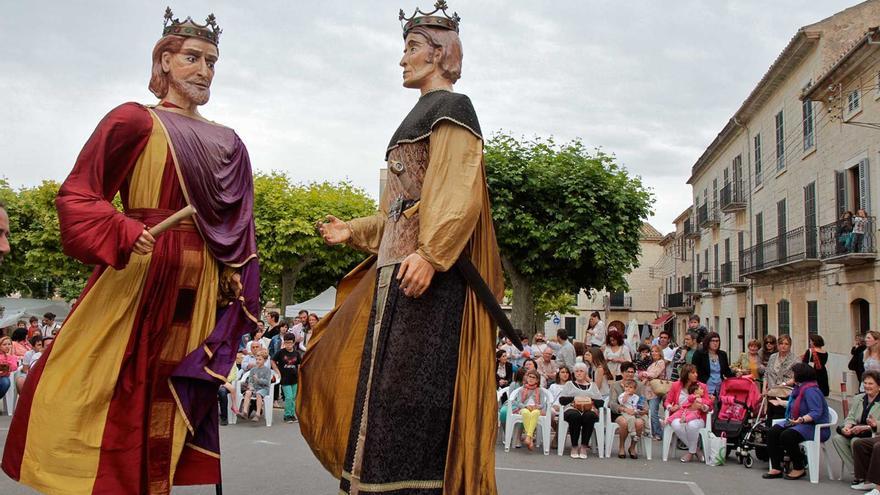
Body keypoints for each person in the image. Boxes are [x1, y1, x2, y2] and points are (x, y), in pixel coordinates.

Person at [2, 10, 261, 491]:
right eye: (191, 57)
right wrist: (121, 229)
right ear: (164, 61)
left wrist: (232, 274)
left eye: (211, 61)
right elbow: (79, 194)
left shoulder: (230, 141)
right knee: (104, 384)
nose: (203, 70)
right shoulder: (134, 119)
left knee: (174, 392)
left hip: (199, 285)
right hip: (138, 274)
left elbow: (238, 225)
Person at [303, 5, 504, 493]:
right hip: (395, 274)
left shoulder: (452, 108)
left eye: (412, 48)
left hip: (427, 281)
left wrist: (433, 255)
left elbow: (456, 192)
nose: (402, 60)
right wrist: (352, 230)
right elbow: (399, 210)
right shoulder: (415, 115)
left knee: (412, 396)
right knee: (380, 394)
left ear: (439, 53)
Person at [762, 363, 830, 481]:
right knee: (773, 431)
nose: (791, 377)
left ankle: (799, 467)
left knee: (787, 435)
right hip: (800, 422)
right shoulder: (799, 388)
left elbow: (816, 412)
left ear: (801, 375)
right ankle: (776, 467)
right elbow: (797, 405)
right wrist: (782, 403)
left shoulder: (811, 390)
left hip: (814, 426)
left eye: (793, 374)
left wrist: (802, 419)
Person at [832, 370, 880, 488]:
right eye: (865, 383)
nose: (867, 386)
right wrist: (847, 427)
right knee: (838, 438)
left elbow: (877, 424)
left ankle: (867, 477)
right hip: (856, 432)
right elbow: (851, 417)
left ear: (879, 386)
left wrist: (869, 426)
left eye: (871, 383)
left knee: (855, 441)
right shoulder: (859, 398)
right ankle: (858, 474)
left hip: (873, 433)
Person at [664, 364, 712, 462]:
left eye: (696, 372)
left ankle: (690, 453)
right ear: (686, 374)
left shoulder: (702, 386)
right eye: (693, 373)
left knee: (692, 425)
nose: (696, 375)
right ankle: (695, 450)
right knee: (677, 425)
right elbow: (667, 402)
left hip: (697, 416)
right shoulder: (676, 385)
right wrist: (671, 407)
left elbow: (709, 404)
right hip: (680, 413)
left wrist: (703, 407)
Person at [558, 362, 604, 459]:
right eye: (576, 371)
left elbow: (601, 402)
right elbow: (562, 400)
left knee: (589, 416)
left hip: (588, 409)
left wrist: (589, 400)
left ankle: (584, 446)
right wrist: (575, 398)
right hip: (572, 408)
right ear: (574, 373)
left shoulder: (593, 385)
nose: (579, 373)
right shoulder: (569, 384)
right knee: (575, 416)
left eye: (581, 371)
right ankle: (574, 446)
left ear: (586, 373)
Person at [509, 369, 548, 451]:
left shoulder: (540, 390)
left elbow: (543, 404)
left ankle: (528, 437)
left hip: (535, 409)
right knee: (525, 413)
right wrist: (526, 407)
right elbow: (518, 402)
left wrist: (537, 406)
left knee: (535, 413)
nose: (531, 379)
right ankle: (529, 437)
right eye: (529, 376)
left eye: (533, 377)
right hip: (524, 408)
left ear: (537, 380)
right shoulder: (522, 389)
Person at [764, 334, 798, 421]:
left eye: (786, 344)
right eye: (781, 343)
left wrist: (784, 383)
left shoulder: (795, 360)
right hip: (772, 392)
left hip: (785, 393)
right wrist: (764, 388)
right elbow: (766, 374)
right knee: (769, 418)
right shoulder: (773, 357)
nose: (783, 346)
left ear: (790, 346)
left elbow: (797, 378)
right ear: (778, 345)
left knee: (780, 419)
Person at [639, 345, 668, 441]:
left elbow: (654, 374)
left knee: (653, 411)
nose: (654, 353)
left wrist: (643, 373)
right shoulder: (653, 363)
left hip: (655, 390)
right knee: (650, 412)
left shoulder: (661, 362)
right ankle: (654, 431)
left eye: (656, 351)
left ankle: (658, 433)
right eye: (652, 351)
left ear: (660, 353)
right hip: (648, 390)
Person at [692, 331, 735, 397]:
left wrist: (736, 375)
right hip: (704, 388)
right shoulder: (699, 354)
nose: (715, 343)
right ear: (708, 342)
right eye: (713, 341)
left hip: (720, 388)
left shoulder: (722, 354)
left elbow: (727, 371)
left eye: (717, 341)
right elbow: (694, 371)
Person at [273, 334, 301, 423]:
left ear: (293, 343)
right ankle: (287, 415)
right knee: (288, 397)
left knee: (293, 397)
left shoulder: (296, 353)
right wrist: (277, 370)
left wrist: (299, 375)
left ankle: (292, 414)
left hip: (294, 378)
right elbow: (272, 361)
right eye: (286, 343)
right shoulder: (280, 352)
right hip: (285, 378)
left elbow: (299, 365)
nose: (288, 345)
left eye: (290, 343)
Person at [238, 351, 273, 422]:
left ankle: (257, 414)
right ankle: (244, 412)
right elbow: (250, 380)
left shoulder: (267, 370)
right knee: (247, 392)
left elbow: (267, 382)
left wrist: (258, 380)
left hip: (263, 388)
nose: (257, 361)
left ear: (265, 360)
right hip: (255, 388)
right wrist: (250, 386)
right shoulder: (253, 370)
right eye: (256, 359)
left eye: (260, 359)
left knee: (258, 394)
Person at [617, 379, 646, 458]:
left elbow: (636, 405)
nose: (628, 389)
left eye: (630, 387)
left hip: (634, 412)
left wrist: (636, 411)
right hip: (625, 412)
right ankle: (632, 433)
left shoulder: (636, 397)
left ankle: (648, 431)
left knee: (642, 420)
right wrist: (626, 395)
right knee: (631, 419)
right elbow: (622, 402)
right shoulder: (622, 395)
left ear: (634, 389)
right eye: (626, 387)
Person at [0, 337, 19, 402]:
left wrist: (8, 356)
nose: (7, 346)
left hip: (3, 378)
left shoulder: (12, 357)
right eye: (4, 344)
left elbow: (14, 367)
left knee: (6, 382)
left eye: (9, 344)